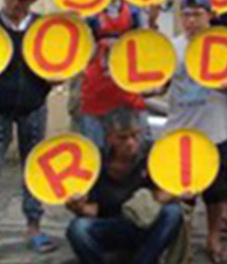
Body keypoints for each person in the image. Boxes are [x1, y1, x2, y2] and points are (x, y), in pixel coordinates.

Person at [0, 0, 57, 263]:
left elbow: (57, 60)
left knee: (34, 170)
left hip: (33, 106)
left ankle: (33, 227)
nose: (19, 4)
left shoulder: (42, 27)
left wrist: (54, 78)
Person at [165, 0, 227, 264]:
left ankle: (213, 238)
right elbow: (160, 84)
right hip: (180, 132)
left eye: (197, 14)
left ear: (210, 14)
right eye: (186, 15)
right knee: (182, 194)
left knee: (216, 193)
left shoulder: (225, 44)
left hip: (216, 128)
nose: (191, 20)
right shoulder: (173, 47)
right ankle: (183, 245)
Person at [65, 108, 186, 264]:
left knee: (173, 213)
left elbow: (165, 192)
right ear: (109, 138)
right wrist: (77, 207)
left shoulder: (152, 154)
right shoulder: (96, 162)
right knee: (78, 229)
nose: (130, 142)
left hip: (143, 224)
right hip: (110, 226)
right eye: (122, 138)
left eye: (135, 136)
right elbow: (93, 211)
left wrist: (174, 193)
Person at [81, 0, 152, 149]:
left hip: (128, 88)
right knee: (96, 149)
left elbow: (146, 44)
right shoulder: (90, 12)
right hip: (96, 89)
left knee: (137, 148)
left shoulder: (135, 12)